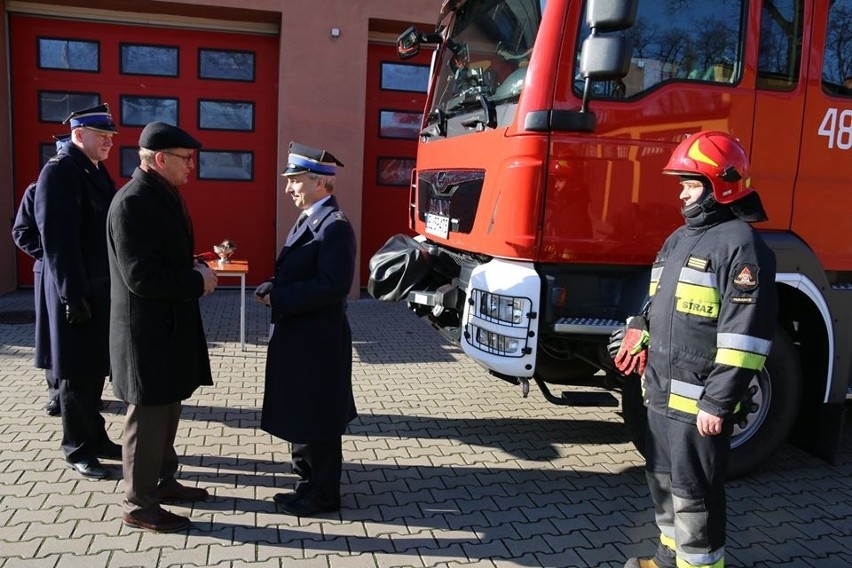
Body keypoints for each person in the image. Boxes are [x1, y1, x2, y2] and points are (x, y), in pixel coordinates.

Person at [611, 131, 777, 568]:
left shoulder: (742, 245)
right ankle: (668, 561)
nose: (681, 194)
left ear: (720, 184)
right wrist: (638, 327)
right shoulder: (679, 239)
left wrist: (719, 401)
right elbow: (656, 301)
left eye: (689, 184)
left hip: (697, 404)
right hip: (660, 395)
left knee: (695, 498)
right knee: (664, 486)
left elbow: (746, 335)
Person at [106, 121, 217, 533]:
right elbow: (141, 276)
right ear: (160, 159)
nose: (192, 167)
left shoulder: (161, 193)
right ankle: (139, 504)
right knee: (147, 418)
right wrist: (195, 281)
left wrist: (192, 267)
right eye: (186, 159)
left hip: (165, 329)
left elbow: (163, 256)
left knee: (167, 408)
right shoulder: (133, 201)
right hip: (145, 335)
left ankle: (164, 482)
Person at [255, 142, 357, 517]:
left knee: (319, 417)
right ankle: (305, 484)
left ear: (318, 182)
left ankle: (324, 493)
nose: (288, 189)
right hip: (299, 336)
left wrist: (279, 299)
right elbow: (301, 271)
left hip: (318, 341)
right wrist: (273, 283)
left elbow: (333, 286)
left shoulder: (335, 227)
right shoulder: (310, 217)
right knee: (301, 411)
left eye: (295, 181)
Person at [34, 104, 122, 479]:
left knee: (94, 371)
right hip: (76, 293)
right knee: (74, 376)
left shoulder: (92, 170)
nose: (108, 143)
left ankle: (96, 437)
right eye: (101, 136)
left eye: (111, 138)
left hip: (99, 290)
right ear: (78, 133)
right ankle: (77, 449)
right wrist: (73, 296)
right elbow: (58, 241)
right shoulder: (60, 172)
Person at [11, 136, 66, 416]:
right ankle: (55, 393)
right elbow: (21, 232)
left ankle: (82, 395)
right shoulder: (36, 190)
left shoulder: (87, 188)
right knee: (51, 334)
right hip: (47, 272)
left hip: (78, 272)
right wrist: (48, 253)